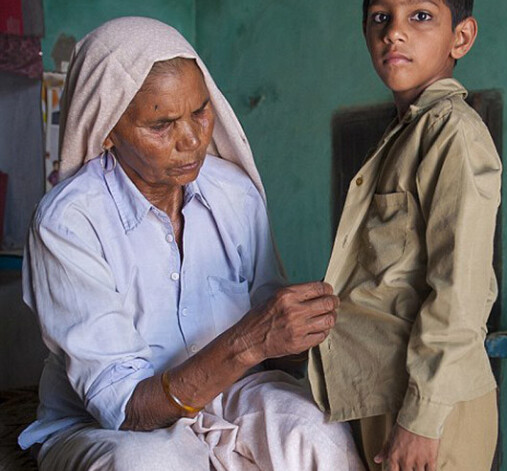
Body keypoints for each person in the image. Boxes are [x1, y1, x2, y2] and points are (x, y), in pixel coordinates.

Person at [19, 16, 364, 471]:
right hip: (102, 425)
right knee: (148, 462)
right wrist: (252, 341)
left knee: (316, 431)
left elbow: (272, 337)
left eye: (200, 112)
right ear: (108, 131)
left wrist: (309, 327)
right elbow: (125, 409)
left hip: (230, 395)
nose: (192, 141)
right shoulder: (69, 221)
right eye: (161, 125)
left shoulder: (233, 193)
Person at [308, 1, 501, 470]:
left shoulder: (452, 132)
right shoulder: (404, 133)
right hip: (386, 394)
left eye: (420, 16)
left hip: (430, 407)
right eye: (380, 18)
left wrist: (422, 420)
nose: (394, 33)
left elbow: (460, 292)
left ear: (461, 37)